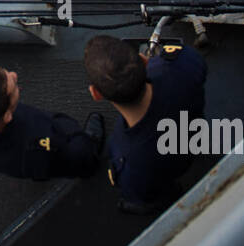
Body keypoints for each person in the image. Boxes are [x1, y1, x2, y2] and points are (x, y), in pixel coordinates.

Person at [84, 34, 208, 213]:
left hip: (168, 172)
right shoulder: (179, 62)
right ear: (144, 60)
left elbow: (137, 191)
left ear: (96, 94)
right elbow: (197, 64)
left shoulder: (127, 162)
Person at [0, 65, 104, 180]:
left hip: (15, 165)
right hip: (45, 159)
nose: (14, 75)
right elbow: (76, 153)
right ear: (6, 116)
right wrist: (82, 142)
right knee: (82, 156)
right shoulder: (40, 141)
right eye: (13, 86)